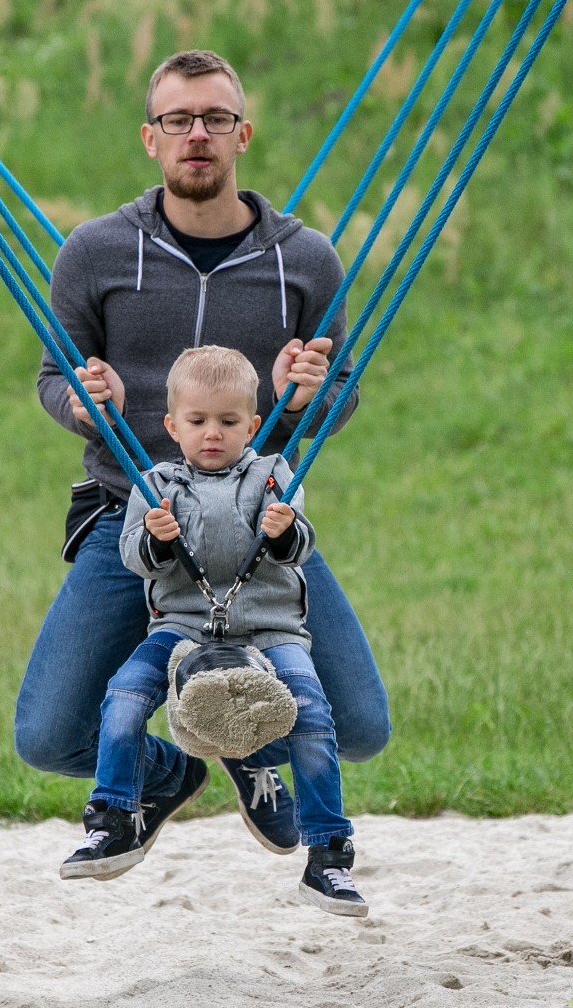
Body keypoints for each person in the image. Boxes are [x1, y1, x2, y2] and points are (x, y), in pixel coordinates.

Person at [15, 49, 390, 855]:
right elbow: (54, 378)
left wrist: (304, 396)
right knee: (47, 738)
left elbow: (342, 396)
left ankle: (248, 740)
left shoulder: (306, 259)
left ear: (242, 134)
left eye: (215, 119)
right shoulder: (96, 251)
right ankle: (173, 771)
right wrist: (86, 405)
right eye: (179, 120)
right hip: (135, 517)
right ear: (151, 139)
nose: (197, 135)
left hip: (257, 528)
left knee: (360, 729)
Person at [60, 346, 368, 917]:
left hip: (271, 628)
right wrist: (155, 537)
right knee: (123, 698)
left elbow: (300, 547)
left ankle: (327, 849)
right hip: (181, 628)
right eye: (197, 422)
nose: (212, 434)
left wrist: (282, 532)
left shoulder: (274, 475)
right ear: (171, 425)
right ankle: (113, 816)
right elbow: (136, 558)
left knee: (312, 711)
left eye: (228, 422)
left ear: (253, 425)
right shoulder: (154, 485)